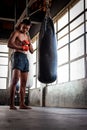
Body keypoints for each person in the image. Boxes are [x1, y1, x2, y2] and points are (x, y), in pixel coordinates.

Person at [8, 18, 34, 110]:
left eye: (27, 28)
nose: (25, 30)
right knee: (15, 80)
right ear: (21, 25)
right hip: (17, 55)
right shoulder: (16, 33)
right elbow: (9, 44)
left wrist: (29, 44)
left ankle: (22, 104)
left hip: (25, 58)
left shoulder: (27, 36)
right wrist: (21, 47)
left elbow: (32, 51)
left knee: (23, 83)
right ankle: (11, 104)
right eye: (24, 27)